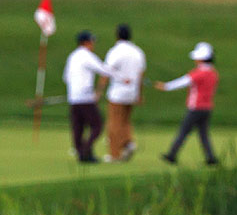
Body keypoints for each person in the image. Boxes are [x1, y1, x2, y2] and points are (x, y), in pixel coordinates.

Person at [154, 41, 220, 165]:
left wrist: (166, 86)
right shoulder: (213, 73)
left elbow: (183, 82)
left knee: (184, 131)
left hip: (196, 107)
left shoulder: (199, 73)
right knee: (203, 134)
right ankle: (210, 158)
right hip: (207, 108)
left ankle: (172, 155)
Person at [63, 30, 114, 163]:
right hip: (85, 97)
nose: (93, 44)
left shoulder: (72, 56)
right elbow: (103, 69)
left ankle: (82, 154)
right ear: (86, 42)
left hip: (73, 98)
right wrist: (121, 76)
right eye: (92, 41)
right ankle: (85, 150)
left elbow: (66, 78)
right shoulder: (86, 55)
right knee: (97, 125)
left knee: (78, 127)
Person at [98, 24, 146, 162]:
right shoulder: (138, 51)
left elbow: (106, 72)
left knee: (114, 122)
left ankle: (114, 154)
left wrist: (99, 90)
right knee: (125, 120)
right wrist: (139, 94)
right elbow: (141, 75)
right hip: (133, 91)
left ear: (117, 35)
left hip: (118, 92)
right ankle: (128, 143)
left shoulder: (115, 51)